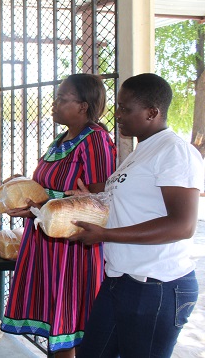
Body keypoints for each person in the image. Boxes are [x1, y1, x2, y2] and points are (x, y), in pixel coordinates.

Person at [70, 73, 203, 358]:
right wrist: (83, 197)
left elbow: (182, 225)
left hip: (157, 287)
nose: (117, 115)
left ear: (152, 112)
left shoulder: (174, 152)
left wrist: (105, 235)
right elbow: (123, 199)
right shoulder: (140, 151)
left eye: (125, 108)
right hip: (120, 280)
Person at [0, 74, 118, 357]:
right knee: (54, 324)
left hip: (73, 248)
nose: (54, 104)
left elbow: (99, 202)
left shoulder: (96, 141)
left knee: (69, 326)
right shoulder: (62, 139)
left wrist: (44, 203)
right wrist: (27, 191)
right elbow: (51, 189)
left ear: (83, 106)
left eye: (63, 99)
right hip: (44, 241)